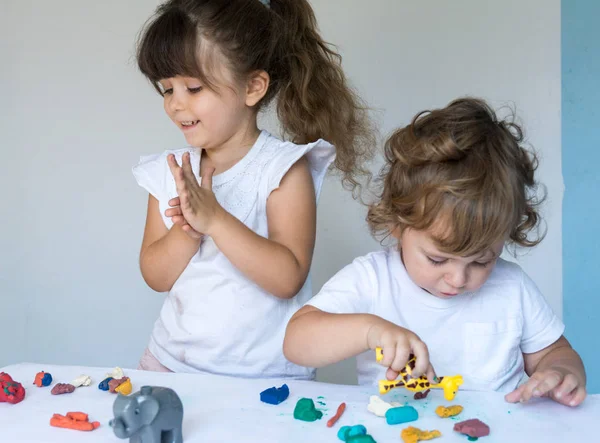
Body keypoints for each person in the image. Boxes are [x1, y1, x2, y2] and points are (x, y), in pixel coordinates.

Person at [284, 98, 587, 406]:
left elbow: (554, 352)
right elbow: (297, 341)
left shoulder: (513, 287)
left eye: (482, 260)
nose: (457, 279)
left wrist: (560, 372)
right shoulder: (373, 280)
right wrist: (368, 330)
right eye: (437, 259)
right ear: (397, 225)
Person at [132, 0, 373, 378]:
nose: (177, 105)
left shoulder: (282, 170)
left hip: (266, 376)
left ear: (253, 87)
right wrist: (187, 232)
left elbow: (287, 278)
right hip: (171, 366)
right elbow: (155, 276)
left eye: (193, 88)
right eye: (167, 90)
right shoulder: (170, 172)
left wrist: (215, 220)